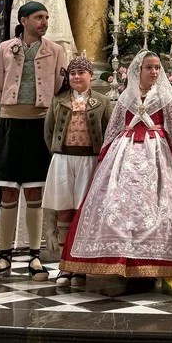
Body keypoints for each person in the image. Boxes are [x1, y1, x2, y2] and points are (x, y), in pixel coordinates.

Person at [60, 51, 172, 279]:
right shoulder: (126, 97)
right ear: (138, 70)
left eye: (157, 67)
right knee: (114, 203)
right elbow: (114, 128)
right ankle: (108, 258)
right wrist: (103, 157)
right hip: (124, 153)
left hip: (157, 154)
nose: (154, 72)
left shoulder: (166, 97)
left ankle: (151, 261)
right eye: (149, 67)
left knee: (156, 206)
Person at [0, 1, 67, 282]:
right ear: (24, 20)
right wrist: (10, 108)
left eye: (46, 17)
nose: (44, 22)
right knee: (7, 190)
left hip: (39, 125)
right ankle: (3, 257)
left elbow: (60, 87)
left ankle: (34, 256)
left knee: (34, 191)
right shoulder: (5, 48)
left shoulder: (55, 50)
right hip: (9, 123)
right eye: (39, 17)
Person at [42, 54, 112, 287]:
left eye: (81, 73)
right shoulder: (59, 100)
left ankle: (79, 266)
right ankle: (65, 266)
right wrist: (58, 151)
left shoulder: (102, 102)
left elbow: (108, 131)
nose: (76, 77)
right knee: (64, 210)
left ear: (91, 76)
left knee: (82, 212)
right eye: (72, 73)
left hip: (89, 161)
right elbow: (49, 130)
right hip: (63, 159)